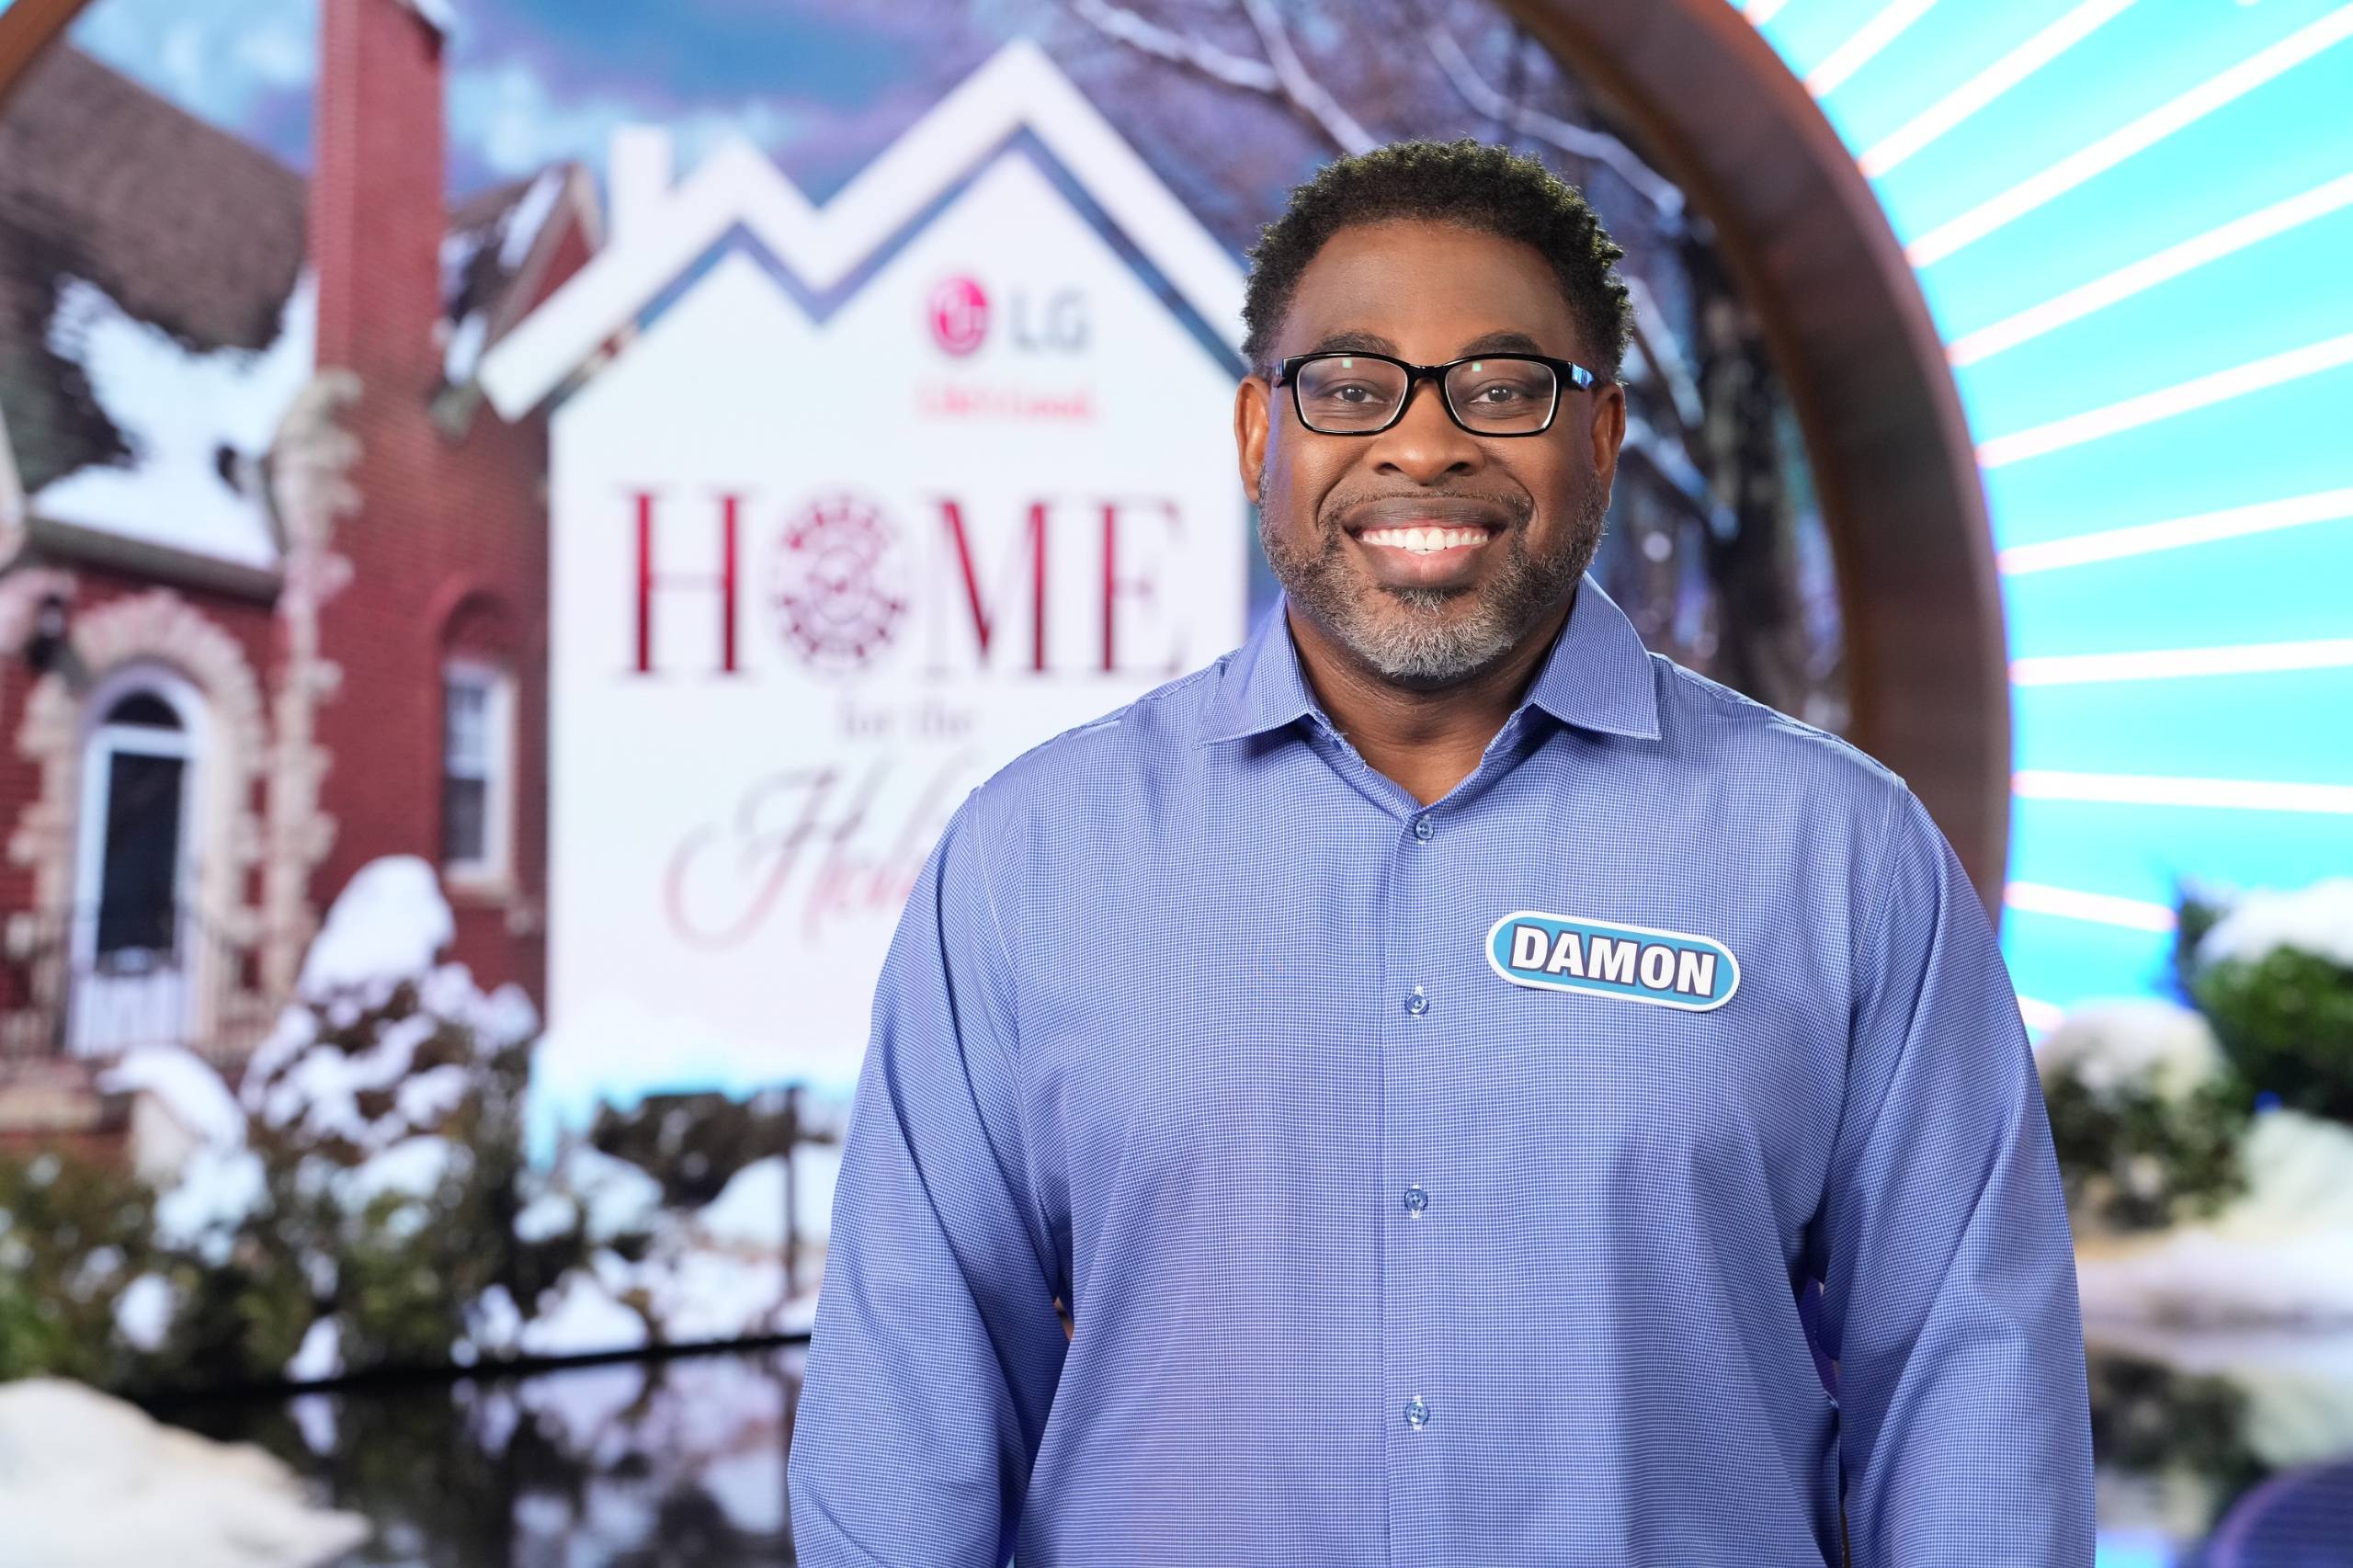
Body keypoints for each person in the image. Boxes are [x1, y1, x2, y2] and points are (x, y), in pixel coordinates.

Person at [788, 138, 2095, 1567]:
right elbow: (904, 1417)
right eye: (1349, 385)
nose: (1423, 442)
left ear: (1599, 437)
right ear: (1253, 437)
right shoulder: (1029, 862)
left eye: (1504, 385)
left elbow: (1976, 1405)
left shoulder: (1842, 861)